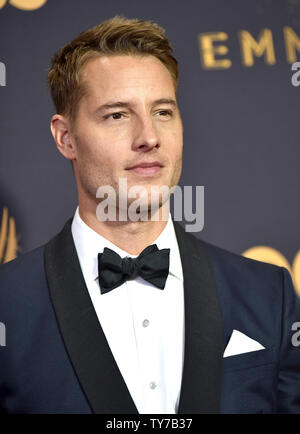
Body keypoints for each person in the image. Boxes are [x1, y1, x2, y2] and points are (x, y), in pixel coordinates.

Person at [0, 16, 299, 415]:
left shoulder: (268, 294)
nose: (149, 137)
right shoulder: (8, 305)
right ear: (65, 137)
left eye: (162, 111)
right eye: (117, 115)